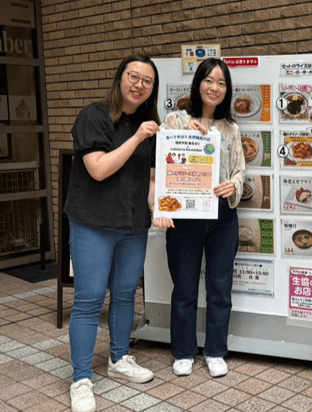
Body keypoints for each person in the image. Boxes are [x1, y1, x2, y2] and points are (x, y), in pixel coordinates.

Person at [63, 54, 160, 412]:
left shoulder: (148, 125)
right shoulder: (94, 116)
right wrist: (137, 137)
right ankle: (81, 378)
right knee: (89, 301)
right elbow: (99, 169)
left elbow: (150, 178)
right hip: (92, 223)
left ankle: (119, 359)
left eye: (147, 81)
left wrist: (161, 207)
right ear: (120, 79)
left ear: (152, 89)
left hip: (132, 225)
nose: (139, 85)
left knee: (123, 296)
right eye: (133, 76)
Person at [153, 58, 245, 378]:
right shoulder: (177, 119)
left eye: (221, 83)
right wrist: (182, 131)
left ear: (226, 90)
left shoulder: (231, 129)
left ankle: (216, 350)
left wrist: (232, 184)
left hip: (221, 216)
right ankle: (183, 351)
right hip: (185, 214)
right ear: (198, 84)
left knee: (220, 287)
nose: (214, 88)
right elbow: (161, 153)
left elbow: (240, 173)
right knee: (185, 286)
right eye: (209, 80)